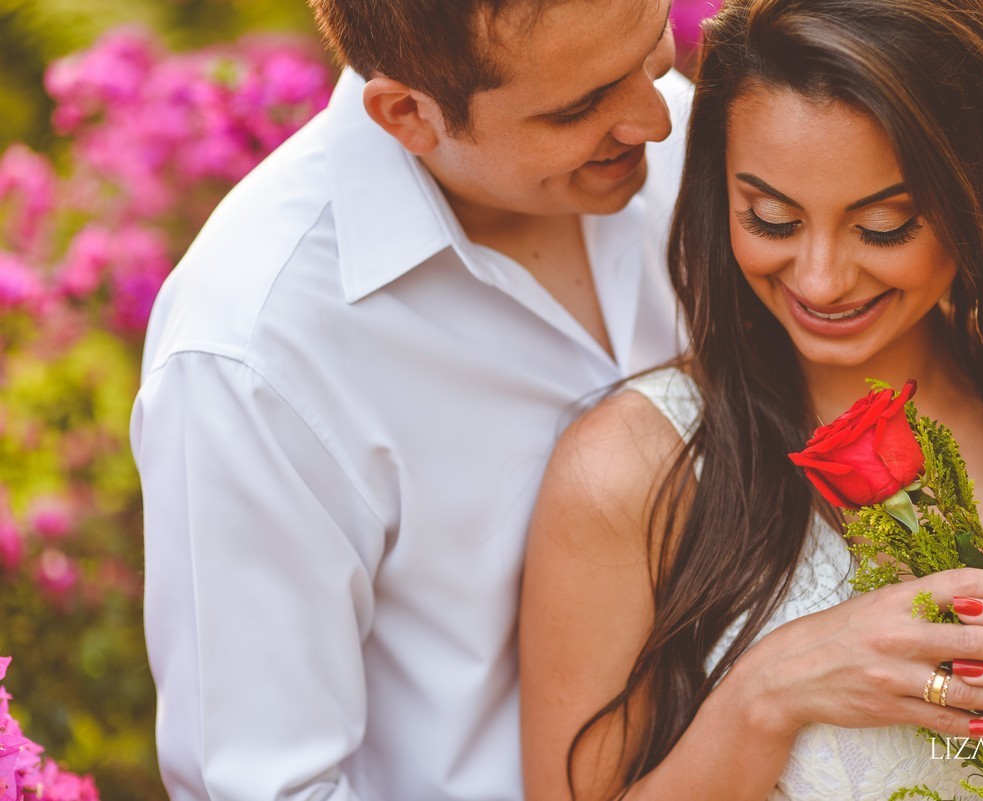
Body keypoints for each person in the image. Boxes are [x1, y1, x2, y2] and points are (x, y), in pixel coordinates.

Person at [519, 1, 983, 799]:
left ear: (973, 194)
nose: (820, 280)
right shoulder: (627, 469)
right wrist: (766, 695)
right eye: (770, 218)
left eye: (884, 226)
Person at [130, 0, 692, 798]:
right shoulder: (253, 356)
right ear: (408, 114)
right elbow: (272, 784)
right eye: (580, 105)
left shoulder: (693, 146)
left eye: (652, 46)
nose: (655, 118)